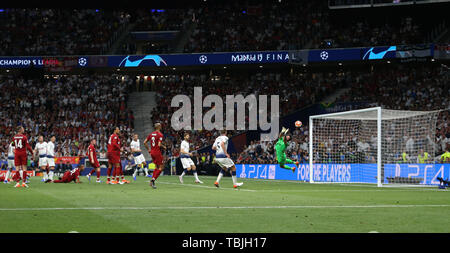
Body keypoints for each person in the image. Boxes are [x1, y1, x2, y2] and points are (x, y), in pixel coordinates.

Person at [144, 123, 165, 189]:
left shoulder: (151, 134)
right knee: (161, 167)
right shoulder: (160, 134)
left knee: (156, 167)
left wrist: (149, 150)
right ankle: (152, 180)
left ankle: (153, 180)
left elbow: (144, 142)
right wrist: (163, 146)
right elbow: (159, 144)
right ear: (158, 127)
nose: (161, 126)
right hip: (157, 152)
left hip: (152, 152)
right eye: (160, 126)